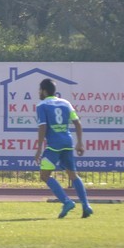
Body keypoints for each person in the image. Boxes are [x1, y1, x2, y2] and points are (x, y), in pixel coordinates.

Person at [33, 78, 93, 219]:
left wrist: (39, 148)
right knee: (73, 175)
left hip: (54, 145)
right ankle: (86, 205)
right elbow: (77, 123)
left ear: (44, 91)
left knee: (44, 175)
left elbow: (43, 126)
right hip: (67, 143)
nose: (39, 92)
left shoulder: (42, 105)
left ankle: (67, 202)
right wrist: (80, 143)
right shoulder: (66, 103)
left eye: (40, 90)